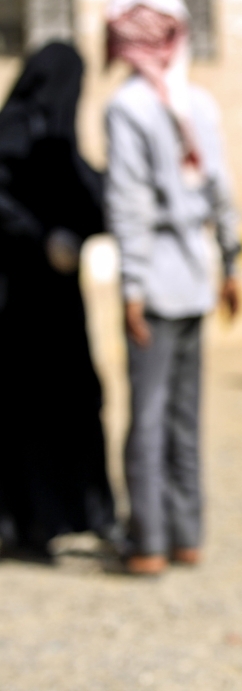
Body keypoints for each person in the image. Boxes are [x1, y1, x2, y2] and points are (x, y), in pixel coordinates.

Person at [105, 0, 241, 575]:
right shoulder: (199, 103)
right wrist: (231, 264)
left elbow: (128, 204)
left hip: (155, 288)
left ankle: (150, 542)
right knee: (184, 417)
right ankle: (187, 534)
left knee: (150, 416)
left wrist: (131, 287)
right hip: (195, 280)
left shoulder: (127, 106)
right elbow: (222, 191)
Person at [0, 43, 115, 560]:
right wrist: (40, 236)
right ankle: (23, 522)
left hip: (56, 306)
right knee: (21, 405)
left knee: (73, 399)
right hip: (13, 302)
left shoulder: (58, 143)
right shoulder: (11, 137)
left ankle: (78, 514)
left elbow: (90, 197)